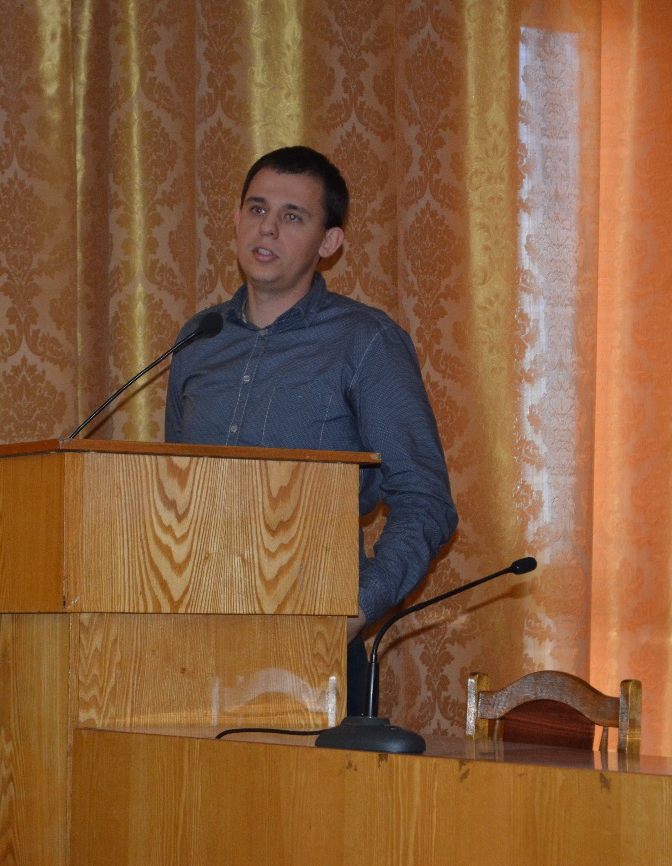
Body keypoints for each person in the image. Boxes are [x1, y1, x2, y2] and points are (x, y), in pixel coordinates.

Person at [163, 145, 458, 715]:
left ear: (329, 243)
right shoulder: (199, 340)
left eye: (292, 216)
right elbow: (173, 485)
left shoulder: (366, 342)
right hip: (187, 639)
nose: (267, 228)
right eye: (257, 209)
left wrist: (356, 609)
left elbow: (425, 500)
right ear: (236, 219)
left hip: (308, 649)